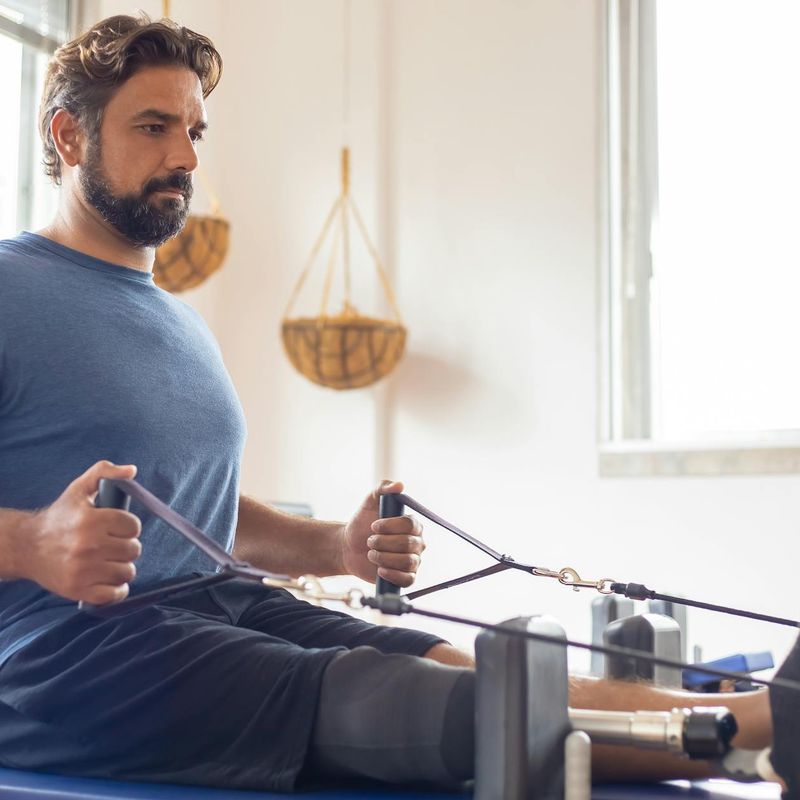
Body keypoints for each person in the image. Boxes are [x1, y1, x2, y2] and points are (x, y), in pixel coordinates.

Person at [0, 12, 795, 795]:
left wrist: (332, 548)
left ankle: (753, 719)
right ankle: (743, 740)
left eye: (195, 132)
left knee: (452, 663)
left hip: (218, 603)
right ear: (69, 136)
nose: (183, 157)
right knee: (395, 699)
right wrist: (34, 540)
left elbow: (194, 514)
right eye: (153, 127)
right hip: (66, 656)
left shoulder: (174, 316)